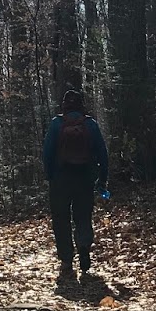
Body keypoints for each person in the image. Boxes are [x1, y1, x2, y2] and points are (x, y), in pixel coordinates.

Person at [42, 88, 109, 280]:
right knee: (83, 215)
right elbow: (103, 155)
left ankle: (66, 260)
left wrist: (49, 175)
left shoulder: (56, 124)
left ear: (64, 105)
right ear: (82, 105)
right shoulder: (91, 125)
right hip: (85, 178)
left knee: (61, 219)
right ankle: (83, 245)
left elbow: (47, 153)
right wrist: (102, 180)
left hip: (60, 178)